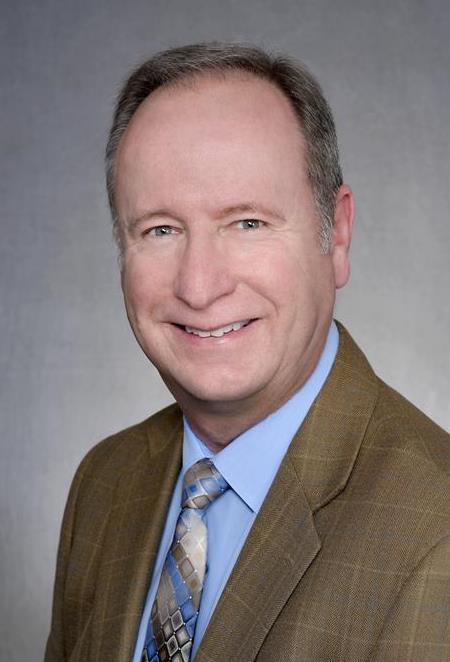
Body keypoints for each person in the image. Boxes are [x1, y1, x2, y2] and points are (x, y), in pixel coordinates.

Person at [45, 43, 450, 662]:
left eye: (248, 223)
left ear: (337, 234)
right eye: (160, 229)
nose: (199, 286)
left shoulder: (435, 525)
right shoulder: (104, 483)